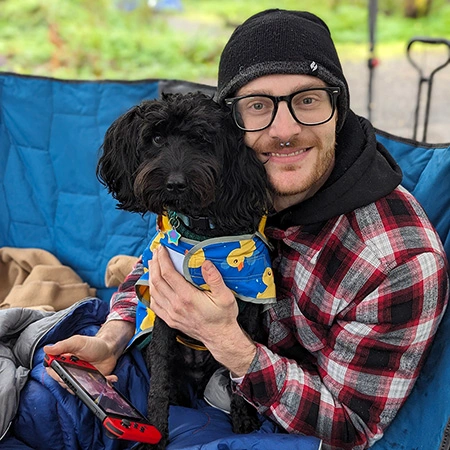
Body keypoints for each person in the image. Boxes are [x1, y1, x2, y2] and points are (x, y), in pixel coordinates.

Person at [45, 8, 449, 450]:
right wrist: (114, 335)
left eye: (308, 100)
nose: (285, 130)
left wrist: (232, 345)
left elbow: (350, 424)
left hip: (276, 419)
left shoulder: (399, 260)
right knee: (40, 400)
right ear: (229, 123)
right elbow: (163, 261)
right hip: (172, 369)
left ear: (339, 110)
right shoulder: (227, 180)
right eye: (259, 106)